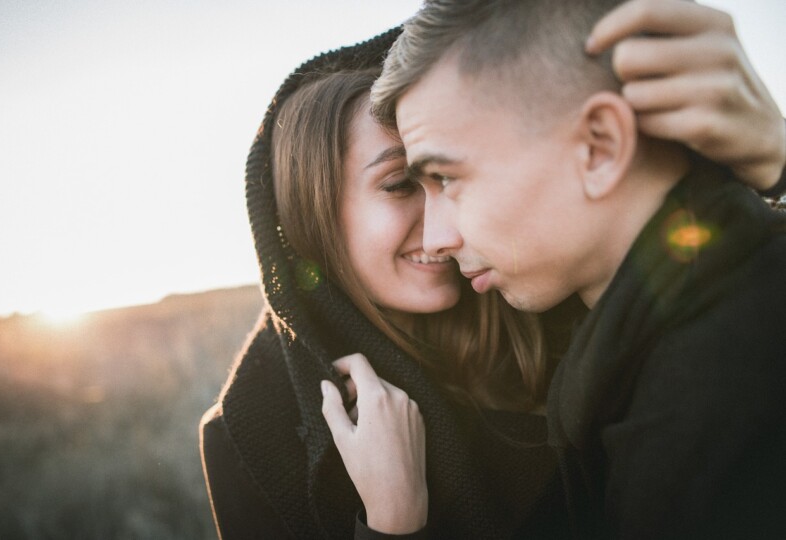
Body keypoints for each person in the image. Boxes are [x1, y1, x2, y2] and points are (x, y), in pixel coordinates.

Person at [200, 2, 786, 539]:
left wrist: (774, 160)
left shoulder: (560, 298)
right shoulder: (260, 431)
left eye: (446, 178)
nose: (439, 231)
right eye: (405, 184)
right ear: (311, 222)